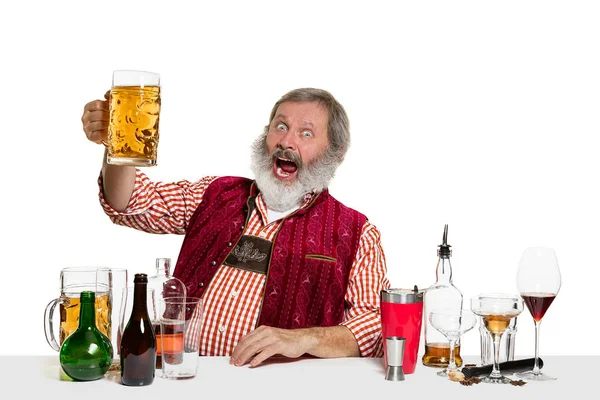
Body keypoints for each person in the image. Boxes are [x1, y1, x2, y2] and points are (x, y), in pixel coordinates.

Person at [81, 88, 390, 367]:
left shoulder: (357, 232)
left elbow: (374, 326)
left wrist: (303, 339)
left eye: (305, 133)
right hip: (183, 376)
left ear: (334, 154)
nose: (286, 141)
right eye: (280, 126)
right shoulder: (215, 194)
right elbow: (129, 202)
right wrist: (116, 145)